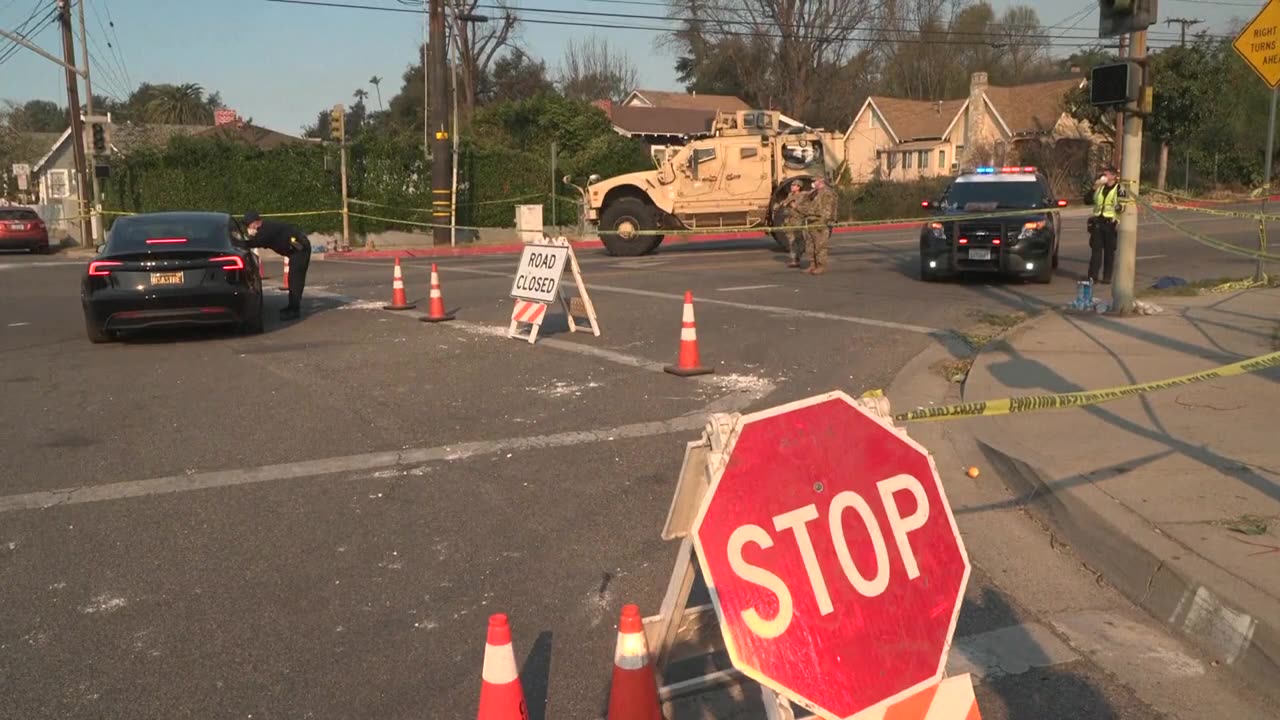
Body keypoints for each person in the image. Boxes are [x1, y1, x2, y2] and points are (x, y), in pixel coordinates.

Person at [242, 211, 311, 320]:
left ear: (255, 223)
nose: (248, 228)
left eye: (248, 225)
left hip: (300, 250)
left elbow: (256, 242)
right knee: (293, 279)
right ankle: (292, 306)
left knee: (295, 279)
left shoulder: (266, 229)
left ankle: (294, 309)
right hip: (294, 251)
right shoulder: (264, 229)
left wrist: (239, 243)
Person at [1085, 165, 1124, 284]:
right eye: (1103, 174)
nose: (1104, 177)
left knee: (1109, 252)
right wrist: (1094, 187)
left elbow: (1121, 206)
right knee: (1096, 251)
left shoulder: (1119, 188)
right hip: (1098, 222)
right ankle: (1093, 277)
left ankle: (1107, 277)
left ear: (1113, 176)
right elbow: (1087, 200)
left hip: (1110, 223)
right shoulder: (1100, 188)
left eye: (1106, 174)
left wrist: (1117, 220)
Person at [797, 177, 838, 275]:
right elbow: (805, 204)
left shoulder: (827, 193)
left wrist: (823, 222)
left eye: (815, 181)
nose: (813, 183)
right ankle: (812, 265)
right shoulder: (815, 192)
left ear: (821, 181)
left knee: (820, 245)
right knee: (810, 245)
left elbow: (828, 210)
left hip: (820, 222)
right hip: (811, 221)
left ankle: (821, 266)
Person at [776, 181, 806, 268]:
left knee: (800, 240)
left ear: (799, 187)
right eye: (792, 185)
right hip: (789, 221)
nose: (792, 187)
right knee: (791, 241)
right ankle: (794, 260)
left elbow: (805, 208)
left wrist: (795, 206)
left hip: (798, 221)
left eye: (794, 185)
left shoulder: (802, 196)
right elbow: (784, 204)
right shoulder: (790, 195)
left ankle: (798, 256)